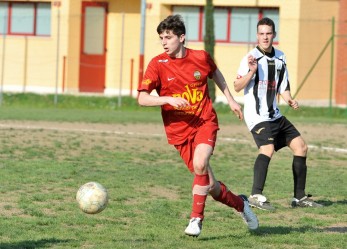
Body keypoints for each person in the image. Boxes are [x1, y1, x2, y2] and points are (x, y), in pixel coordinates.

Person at [137, 14, 258, 237]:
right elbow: (142, 98)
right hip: (178, 132)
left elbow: (216, 74)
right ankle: (241, 204)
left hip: (204, 121)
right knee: (211, 187)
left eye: (169, 37)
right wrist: (167, 99)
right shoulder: (157, 64)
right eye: (161, 38)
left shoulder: (201, 57)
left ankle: (196, 220)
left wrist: (230, 99)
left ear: (182, 38)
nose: (164, 42)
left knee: (200, 163)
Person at [234, 17, 323, 211]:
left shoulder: (281, 57)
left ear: (273, 35)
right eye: (261, 34)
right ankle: (255, 195)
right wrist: (251, 72)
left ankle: (299, 197)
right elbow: (237, 86)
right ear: (257, 36)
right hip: (257, 116)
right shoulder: (250, 57)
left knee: (301, 147)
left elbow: (283, 86)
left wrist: (289, 98)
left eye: (268, 33)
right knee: (267, 148)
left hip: (275, 115)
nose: (265, 37)